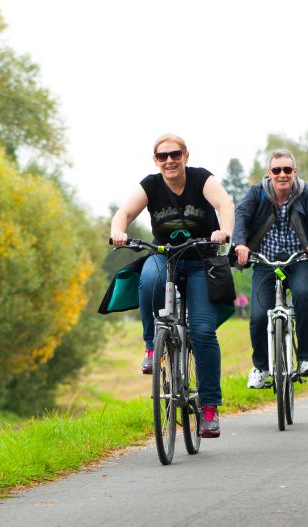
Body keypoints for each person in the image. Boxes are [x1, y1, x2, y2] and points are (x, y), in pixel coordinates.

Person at [110, 133, 235, 438]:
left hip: (200, 260)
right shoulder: (151, 185)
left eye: (175, 155)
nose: (169, 161)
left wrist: (224, 232)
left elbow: (225, 203)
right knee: (148, 278)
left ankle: (209, 409)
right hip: (164, 255)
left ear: (185, 156)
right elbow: (124, 213)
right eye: (163, 156)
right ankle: (152, 347)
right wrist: (118, 232)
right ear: (156, 160)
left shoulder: (201, 179)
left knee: (203, 332)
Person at [231, 149, 308, 390]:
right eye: (277, 170)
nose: (282, 174)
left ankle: (307, 358)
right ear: (269, 173)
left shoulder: (305, 191)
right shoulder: (257, 193)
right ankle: (261, 367)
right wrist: (240, 244)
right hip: (265, 262)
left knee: (303, 295)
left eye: (287, 170)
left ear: (294, 172)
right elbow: (242, 216)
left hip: (299, 259)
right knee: (258, 316)